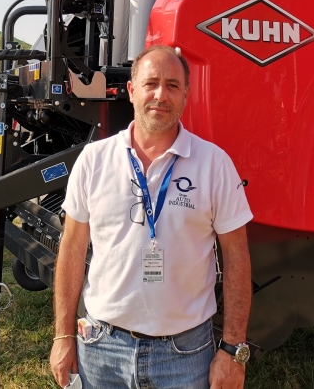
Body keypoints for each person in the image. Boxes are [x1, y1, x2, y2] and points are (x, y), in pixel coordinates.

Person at [50, 45, 254, 389]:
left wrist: (233, 349)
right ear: (131, 91)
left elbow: (237, 257)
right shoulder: (94, 160)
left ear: (186, 95)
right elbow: (71, 249)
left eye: (173, 85)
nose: (161, 95)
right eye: (151, 83)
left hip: (185, 354)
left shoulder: (214, 164)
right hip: (102, 349)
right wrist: (62, 335)